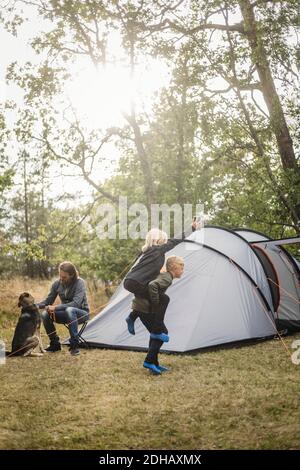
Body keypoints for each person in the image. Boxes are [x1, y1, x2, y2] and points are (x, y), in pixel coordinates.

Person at [124, 220, 197, 335]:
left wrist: (159, 271)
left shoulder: (148, 251)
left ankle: (132, 317)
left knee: (145, 298)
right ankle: (156, 329)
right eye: (164, 240)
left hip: (131, 281)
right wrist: (191, 229)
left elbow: (146, 269)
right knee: (162, 298)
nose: (166, 242)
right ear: (158, 240)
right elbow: (175, 240)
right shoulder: (158, 249)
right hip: (137, 283)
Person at [131, 256, 185, 375]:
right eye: (181, 267)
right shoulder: (167, 278)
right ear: (174, 268)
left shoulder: (166, 276)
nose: (183, 270)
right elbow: (152, 285)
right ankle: (149, 361)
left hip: (143, 308)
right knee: (161, 332)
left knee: (156, 333)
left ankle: (154, 364)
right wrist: (156, 303)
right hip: (144, 309)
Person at [38, 261, 90, 356]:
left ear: (72, 275)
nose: (61, 279)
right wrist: (35, 305)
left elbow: (75, 304)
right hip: (67, 314)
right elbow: (48, 301)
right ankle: (55, 344)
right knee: (45, 314)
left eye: (64, 277)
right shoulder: (57, 284)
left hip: (82, 313)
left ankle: (74, 346)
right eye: (60, 276)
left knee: (70, 310)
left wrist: (56, 307)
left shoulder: (80, 283)